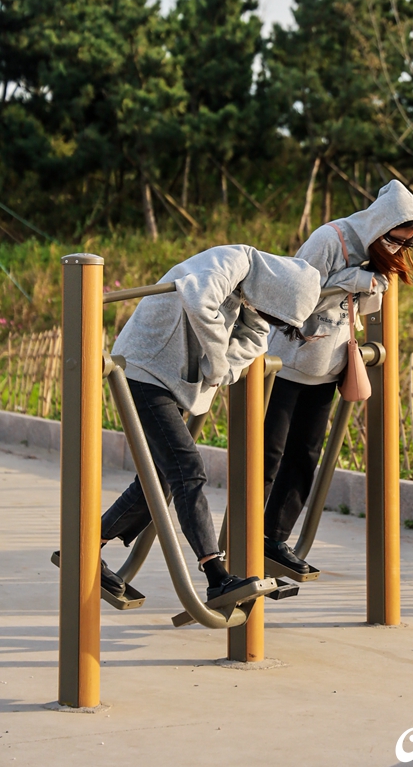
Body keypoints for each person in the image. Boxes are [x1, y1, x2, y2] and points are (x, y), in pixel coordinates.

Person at [99, 243, 321, 602]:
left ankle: (86, 548)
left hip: (173, 380)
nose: (265, 316)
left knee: (159, 481)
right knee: (188, 470)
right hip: (143, 368)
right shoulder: (231, 262)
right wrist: (217, 364)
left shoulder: (253, 292)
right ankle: (216, 574)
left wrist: (224, 366)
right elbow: (200, 301)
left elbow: (255, 339)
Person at [263, 179, 413, 575]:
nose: (397, 250)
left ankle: (274, 540)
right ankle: (242, 542)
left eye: (405, 244)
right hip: (285, 364)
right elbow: (292, 296)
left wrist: (373, 286)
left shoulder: (379, 255)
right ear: (380, 224)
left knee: (304, 458)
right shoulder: (329, 238)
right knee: (266, 457)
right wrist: (349, 281)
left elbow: (364, 309)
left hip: (327, 369)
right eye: (394, 240)